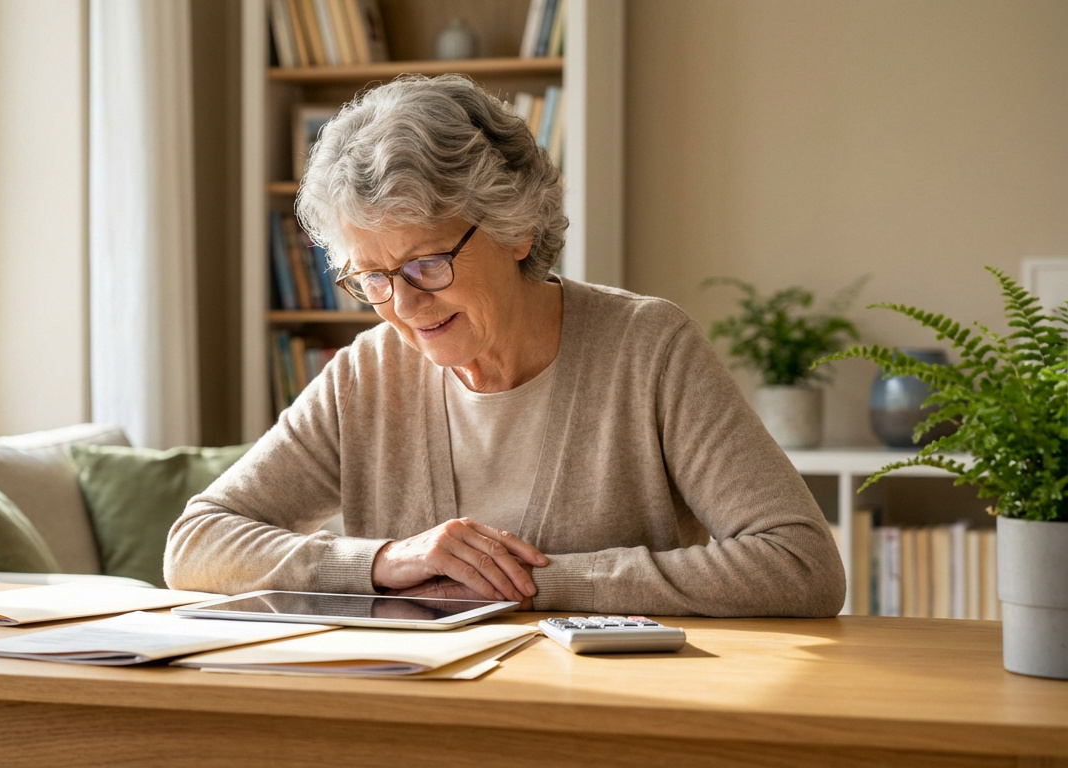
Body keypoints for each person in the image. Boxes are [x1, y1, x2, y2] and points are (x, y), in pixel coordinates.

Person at [165, 74, 845, 616]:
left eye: (427, 264)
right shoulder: (367, 375)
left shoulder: (648, 349)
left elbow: (799, 564)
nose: (401, 305)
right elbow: (196, 543)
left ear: (516, 229)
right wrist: (384, 562)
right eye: (372, 277)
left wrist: (533, 583)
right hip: (424, 718)